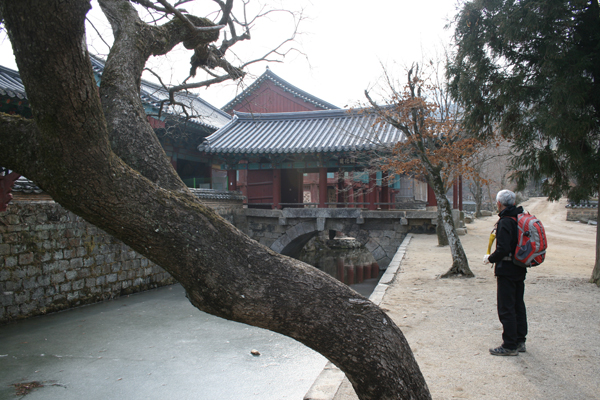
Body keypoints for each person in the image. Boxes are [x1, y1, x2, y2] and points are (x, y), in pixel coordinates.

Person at [483, 190, 527, 356]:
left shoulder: (505, 221)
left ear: (499, 203)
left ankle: (509, 345)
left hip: (507, 269)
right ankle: (520, 340)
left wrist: (490, 259)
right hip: (519, 266)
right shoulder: (519, 218)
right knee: (518, 304)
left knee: (506, 307)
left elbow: (503, 249)